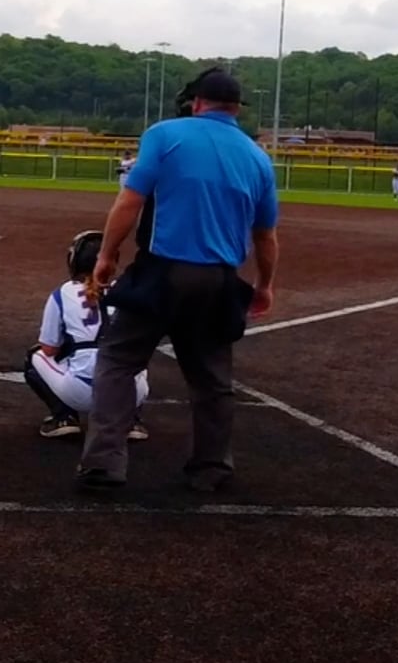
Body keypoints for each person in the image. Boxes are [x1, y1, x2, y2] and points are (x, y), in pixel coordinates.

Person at [79, 68, 278, 494]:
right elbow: (265, 236)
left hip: (163, 271)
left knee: (118, 361)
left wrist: (107, 255)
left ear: (197, 102)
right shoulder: (258, 157)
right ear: (237, 109)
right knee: (212, 381)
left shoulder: (165, 134)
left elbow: (130, 201)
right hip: (219, 280)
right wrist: (264, 285)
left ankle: (104, 465)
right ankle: (211, 468)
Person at [22, 230, 150, 440]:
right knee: (136, 354)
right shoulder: (125, 290)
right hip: (128, 392)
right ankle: (131, 420)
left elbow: (49, 349)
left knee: (35, 356)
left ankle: (64, 417)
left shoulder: (63, 293)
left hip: (81, 393)